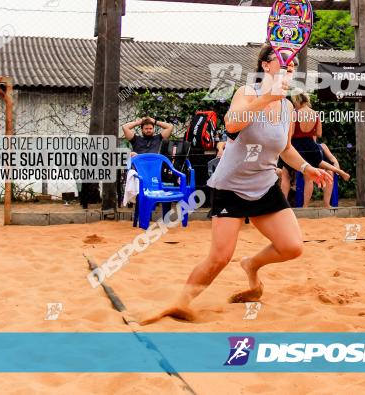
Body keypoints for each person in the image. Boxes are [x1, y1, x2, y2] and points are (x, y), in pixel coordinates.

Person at [140, 43, 332, 325]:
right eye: (283, 61)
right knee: (219, 258)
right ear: (265, 66)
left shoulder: (288, 107)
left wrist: (307, 168)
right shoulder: (247, 93)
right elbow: (231, 125)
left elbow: (285, 148)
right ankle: (179, 304)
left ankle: (251, 264)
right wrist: (266, 97)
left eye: (293, 63)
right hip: (231, 186)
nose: (290, 65)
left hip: (265, 184)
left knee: (292, 247)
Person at [285, 93, 351, 207]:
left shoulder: (294, 114)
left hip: (297, 146)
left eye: (294, 102)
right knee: (316, 168)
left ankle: (285, 205)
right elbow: (319, 133)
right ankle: (306, 206)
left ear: (297, 101)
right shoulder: (315, 114)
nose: (294, 104)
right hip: (311, 145)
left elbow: (291, 133)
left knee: (287, 174)